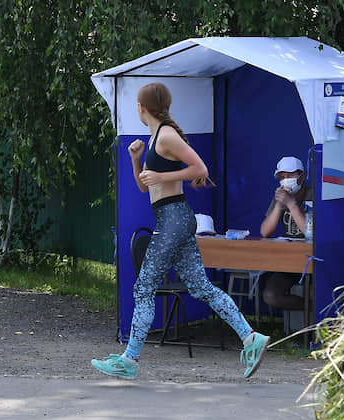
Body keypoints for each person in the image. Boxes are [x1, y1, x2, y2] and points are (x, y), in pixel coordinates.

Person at [91, 82, 270, 380]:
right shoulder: (153, 139)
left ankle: (130, 360)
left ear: (142, 108)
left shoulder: (167, 136)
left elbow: (200, 169)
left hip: (173, 218)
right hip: (174, 217)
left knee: (144, 287)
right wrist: (135, 160)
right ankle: (251, 338)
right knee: (201, 288)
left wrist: (161, 173)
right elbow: (144, 186)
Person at [259, 156, 314, 311]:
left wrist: (291, 204)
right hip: (290, 261)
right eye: (282, 177)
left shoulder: (313, 195)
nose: (285, 180)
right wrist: (279, 205)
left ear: (301, 177)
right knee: (270, 295)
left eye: (290, 176)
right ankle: (311, 309)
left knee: (317, 292)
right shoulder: (280, 196)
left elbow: (310, 233)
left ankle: (317, 320)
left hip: (314, 261)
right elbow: (265, 231)